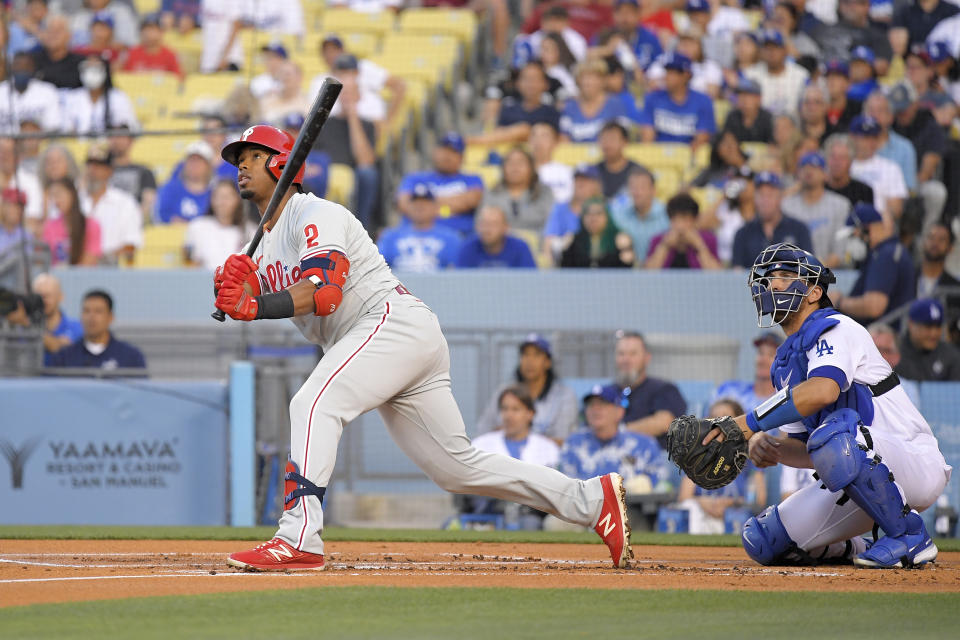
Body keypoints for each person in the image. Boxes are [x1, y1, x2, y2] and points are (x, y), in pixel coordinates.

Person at [213, 124, 633, 570]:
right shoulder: (258, 247)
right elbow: (242, 295)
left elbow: (324, 291)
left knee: (313, 403)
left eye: (254, 155)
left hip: (387, 322)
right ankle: (591, 500)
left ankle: (299, 536)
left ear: (283, 163)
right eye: (238, 157)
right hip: (379, 341)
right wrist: (229, 288)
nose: (241, 163)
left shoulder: (314, 213)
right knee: (457, 468)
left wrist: (255, 305)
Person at [703, 242, 949, 568]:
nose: (774, 283)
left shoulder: (837, 327)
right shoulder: (785, 365)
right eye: (771, 277)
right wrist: (771, 447)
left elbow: (823, 391)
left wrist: (747, 423)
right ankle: (856, 548)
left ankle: (909, 536)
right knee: (763, 540)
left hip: (914, 462)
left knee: (836, 433)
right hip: (863, 478)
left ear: (814, 292)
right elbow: (809, 452)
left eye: (787, 276)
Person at [463, 386, 563, 530]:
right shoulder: (481, 443)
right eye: (505, 409)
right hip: (487, 514)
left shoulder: (548, 448)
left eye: (516, 409)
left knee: (531, 524)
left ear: (530, 414)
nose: (508, 415)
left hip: (531, 516)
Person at [676, 399, 767, 535]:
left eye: (725, 417)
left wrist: (730, 503)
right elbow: (684, 497)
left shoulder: (748, 452)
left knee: (740, 514)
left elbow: (760, 499)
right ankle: (692, 553)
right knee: (690, 507)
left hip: (734, 516)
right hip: (703, 516)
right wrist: (704, 502)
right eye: (713, 417)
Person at [558, 383, 665, 490]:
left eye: (603, 404)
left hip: (632, 505)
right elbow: (567, 488)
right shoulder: (573, 443)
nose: (596, 409)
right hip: (587, 505)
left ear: (620, 411)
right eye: (591, 404)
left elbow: (661, 483)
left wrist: (645, 486)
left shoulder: (644, 444)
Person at [475, 334, 579, 441]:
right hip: (505, 455)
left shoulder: (563, 396)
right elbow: (483, 432)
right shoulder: (505, 392)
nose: (530, 361)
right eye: (525, 354)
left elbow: (564, 440)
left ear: (548, 362)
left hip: (547, 457)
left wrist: (522, 437)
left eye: (537, 355)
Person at [833, 203, 915, 326]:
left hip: (882, 336)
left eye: (853, 235)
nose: (851, 242)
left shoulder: (885, 255)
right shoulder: (887, 252)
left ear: (867, 229)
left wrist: (839, 302)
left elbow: (874, 306)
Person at [397, 133, 484, 237]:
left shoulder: (473, 179)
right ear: (435, 152)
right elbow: (404, 204)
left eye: (453, 152)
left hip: (460, 237)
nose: (447, 155)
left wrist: (424, 205)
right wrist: (449, 208)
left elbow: (468, 202)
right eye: (444, 150)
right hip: (414, 237)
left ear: (462, 158)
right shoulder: (414, 178)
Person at [613, 330, 686, 449]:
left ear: (647, 358)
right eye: (621, 354)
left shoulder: (663, 389)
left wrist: (618, 431)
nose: (626, 360)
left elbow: (665, 423)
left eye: (633, 354)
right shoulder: (606, 393)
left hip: (652, 458)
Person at [781, 152, 851, 267]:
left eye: (815, 167)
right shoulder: (786, 205)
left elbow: (840, 250)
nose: (809, 171)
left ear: (825, 174)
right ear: (798, 174)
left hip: (830, 275)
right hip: (792, 275)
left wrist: (817, 272)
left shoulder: (840, 205)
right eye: (804, 167)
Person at [731, 172, 813, 269]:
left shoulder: (799, 230)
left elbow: (809, 268)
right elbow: (737, 272)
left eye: (770, 195)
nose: (765, 200)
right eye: (761, 195)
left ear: (780, 197)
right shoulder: (743, 233)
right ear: (755, 198)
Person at [49, 290, 147, 370]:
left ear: (110, 317)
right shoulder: (64, 357)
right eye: (86, 311)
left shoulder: (131, 357)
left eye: (98, 311)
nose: (91, 317)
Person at [469, 62, 560, 146]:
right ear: (518, 84)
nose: (530, 84)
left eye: (535, 79)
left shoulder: (551, 112)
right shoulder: (508, 109)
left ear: (545, 84)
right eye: (526, 79)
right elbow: (499, 133)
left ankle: (475, 140)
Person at [377, 183, 461, 273]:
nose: (419, 206)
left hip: (436, 284)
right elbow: (378, 269)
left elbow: (456, 272)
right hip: (398, 284)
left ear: (435, 208)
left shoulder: (451, 237)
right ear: (408, 207)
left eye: (425, 203)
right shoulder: (390, 236)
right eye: (415, 203)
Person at [79, 144, 142, 264]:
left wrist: (102, 259)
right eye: (90, 165)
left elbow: (131, 244)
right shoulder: (76, 200)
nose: (92, 171)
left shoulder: (125, 203)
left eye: (98, 166)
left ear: (109, 171)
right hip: (78, 266)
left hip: (111, 268)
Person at [637, 52, 714, 148]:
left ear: (686, 75)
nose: (667, 77)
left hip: (689, 158)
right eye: (667, 72)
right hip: (657, 157)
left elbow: (701, 140)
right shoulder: (652, 98)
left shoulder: (703, 101)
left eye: (672, 73)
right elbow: (647, 138)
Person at [4, 273, 83, 365]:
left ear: (60, 297)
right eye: (38, 297)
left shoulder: (77, 327)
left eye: (47, 296)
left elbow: (60, 348)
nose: (43, 301)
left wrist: (26, 323)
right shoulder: (18, 328)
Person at [481, 147, 555, 235]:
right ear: (503, 168)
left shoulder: (544, 193)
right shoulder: (492, 193)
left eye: (520, 162)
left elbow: (552, 225)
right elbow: (481, 225)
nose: (515, 167)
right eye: (510, 163)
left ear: (531, 168)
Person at [559, 58, 632, 143]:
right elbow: (564, 140)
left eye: (592, 78)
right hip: (575, 156)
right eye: (583, 78)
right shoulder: (569, 108)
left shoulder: (615, 105)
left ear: (603, 80)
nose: (587, 82)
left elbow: (623, 139)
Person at [543, 164, 603, 265]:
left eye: (586, 180)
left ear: (596, 184)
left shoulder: (605, 208)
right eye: (577, 180)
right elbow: (548, 242)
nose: (580, 184)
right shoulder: (560, 208)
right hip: (566, 263)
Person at [608, 165, 668, 265]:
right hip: (627, 274)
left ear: (653, 190)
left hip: (661, 273)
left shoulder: (667, 215)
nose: (637, 192)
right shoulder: (617, 215)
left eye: (642, 187)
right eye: (633, 187)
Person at [63, 55, 139, 133]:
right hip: (77, 143)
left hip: (108, 144)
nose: (91, 72)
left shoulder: (118, 97)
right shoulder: (72, 97)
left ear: (105, 71)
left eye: (96, 68)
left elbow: (127, 126)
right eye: (87, 68)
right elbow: (66, 128)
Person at [184, 179, 247, 270]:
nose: (222, 202)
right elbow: (190, 264)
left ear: (238, 199)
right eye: (218, 197)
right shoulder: (197, 226)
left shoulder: (250, 230)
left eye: (227, 197)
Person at [744, 29, 810, 118]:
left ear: (784, 51)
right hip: (761, 127)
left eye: (775, 48)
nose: (771, 52)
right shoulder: (750, 75)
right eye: (767, 48)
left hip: (794, 126)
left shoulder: (801, 75)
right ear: (761, 51)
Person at [645, 193, 721, 270]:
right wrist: (664, 246)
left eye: (685, 220)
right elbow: (648, 274)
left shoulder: (709, 240)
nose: (680, 226)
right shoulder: (658, 240)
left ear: (694, 220)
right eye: (675, 220)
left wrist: (699, 246)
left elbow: (717, 274)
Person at [711, 332, 781, 412]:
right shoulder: (728, 390)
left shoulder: (782, 402)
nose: (763, 360)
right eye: (761, 353)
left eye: (771, 354)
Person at [42, 177, 102, 266]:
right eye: (52, 196)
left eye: (59, 194)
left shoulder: (91, 225)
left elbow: (91, 259)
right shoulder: (50, 226)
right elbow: (45, 258)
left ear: (72, 194)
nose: (56, 200)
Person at [915, 222, 960, 341]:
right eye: (931, 237)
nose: (934, 243)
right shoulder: (909, 276)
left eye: (941, 240)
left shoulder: (955, 288)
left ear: (950, 247)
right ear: (923, 242)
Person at [560, 197, 633, 268]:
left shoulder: (618, 240)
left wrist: (625, 249)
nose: (593, 219)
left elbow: (627, 272)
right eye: (588, 214)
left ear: (607, 217)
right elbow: (565, 271)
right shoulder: (574, 241)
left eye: (598, 213)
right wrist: (565, 250)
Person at [456, 205, 537, 269]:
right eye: (483, 224)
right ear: (476, 227)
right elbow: (460, 282)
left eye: (493, 224)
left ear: (505, 227)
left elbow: (530, 281)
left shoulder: (521, 248)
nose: (487, 229)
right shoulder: (467, 248)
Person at [898, 298, 960, 380]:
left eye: (938, 326)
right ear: (911, 325)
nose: (933, 334)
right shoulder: (895, 352)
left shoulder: (951, 355)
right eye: (928, 326)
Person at [0, 51, 62, 134]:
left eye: (27, 66)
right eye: (18, 65)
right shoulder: (2, 90)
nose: (22, 69)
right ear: (11, 67)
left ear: (33, 69)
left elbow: (53, 126)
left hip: (38, 140)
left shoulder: (47, 91)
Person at [155, 141, 215, 224]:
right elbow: (161, 214)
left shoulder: (215, 192)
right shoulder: (170, 188)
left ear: (208, 166)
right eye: (191, 160)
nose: (194, 165)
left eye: (199, 161)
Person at [109, 126, 158, 222]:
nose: (116, 141)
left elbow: (148, 203)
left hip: (133, 222)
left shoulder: (144, 172)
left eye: (120, 136)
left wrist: (131, 221)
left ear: (130, 141)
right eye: (112, 136)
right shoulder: (101, 170)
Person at [122, 14, 184, 78]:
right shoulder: (132, 53)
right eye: (145, 29)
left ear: (161, 32)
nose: (148, 33)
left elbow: (178, 79)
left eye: (152, 29)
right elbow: (124, 77)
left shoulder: (170, 55)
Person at [31, 14, 84, 89]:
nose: (53, 34)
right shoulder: (31, 61)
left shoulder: (81, 64)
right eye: (49, 30)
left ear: (69, 35)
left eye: (58, 31)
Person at [823, 134, 875, 209]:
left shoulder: (864, 191)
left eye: (842, 158)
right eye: (833, 157)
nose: (837, 163)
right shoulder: (819, 190)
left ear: (851, 161)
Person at [890, 0, 959, 56]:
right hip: (913, 63)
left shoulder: (952, 10)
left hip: (943, 62)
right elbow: (899, 49)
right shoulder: (905, 11)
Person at [593, 121, 639, 200]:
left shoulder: (637, 172)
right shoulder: (593, 172)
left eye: (612, 139)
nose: (607, 144)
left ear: (625, 142)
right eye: (604, 139)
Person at [530, 121, 573, 204]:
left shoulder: (567, 172)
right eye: (534, 136)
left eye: (544, 136)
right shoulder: (521, 172)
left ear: (555, 142)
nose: (538, 141)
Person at [721, 78, 774, 144]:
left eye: (747, 96)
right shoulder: (732, 117)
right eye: (740, 95)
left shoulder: (768, 119)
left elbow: (774, 146)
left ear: (758, 98)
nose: (743, 99)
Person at [70, 0, 138, 49]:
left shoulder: (121, 12)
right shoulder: (80, 16)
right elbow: (74, 44)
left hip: (116, 58)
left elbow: (131, 43)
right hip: (85, 58)